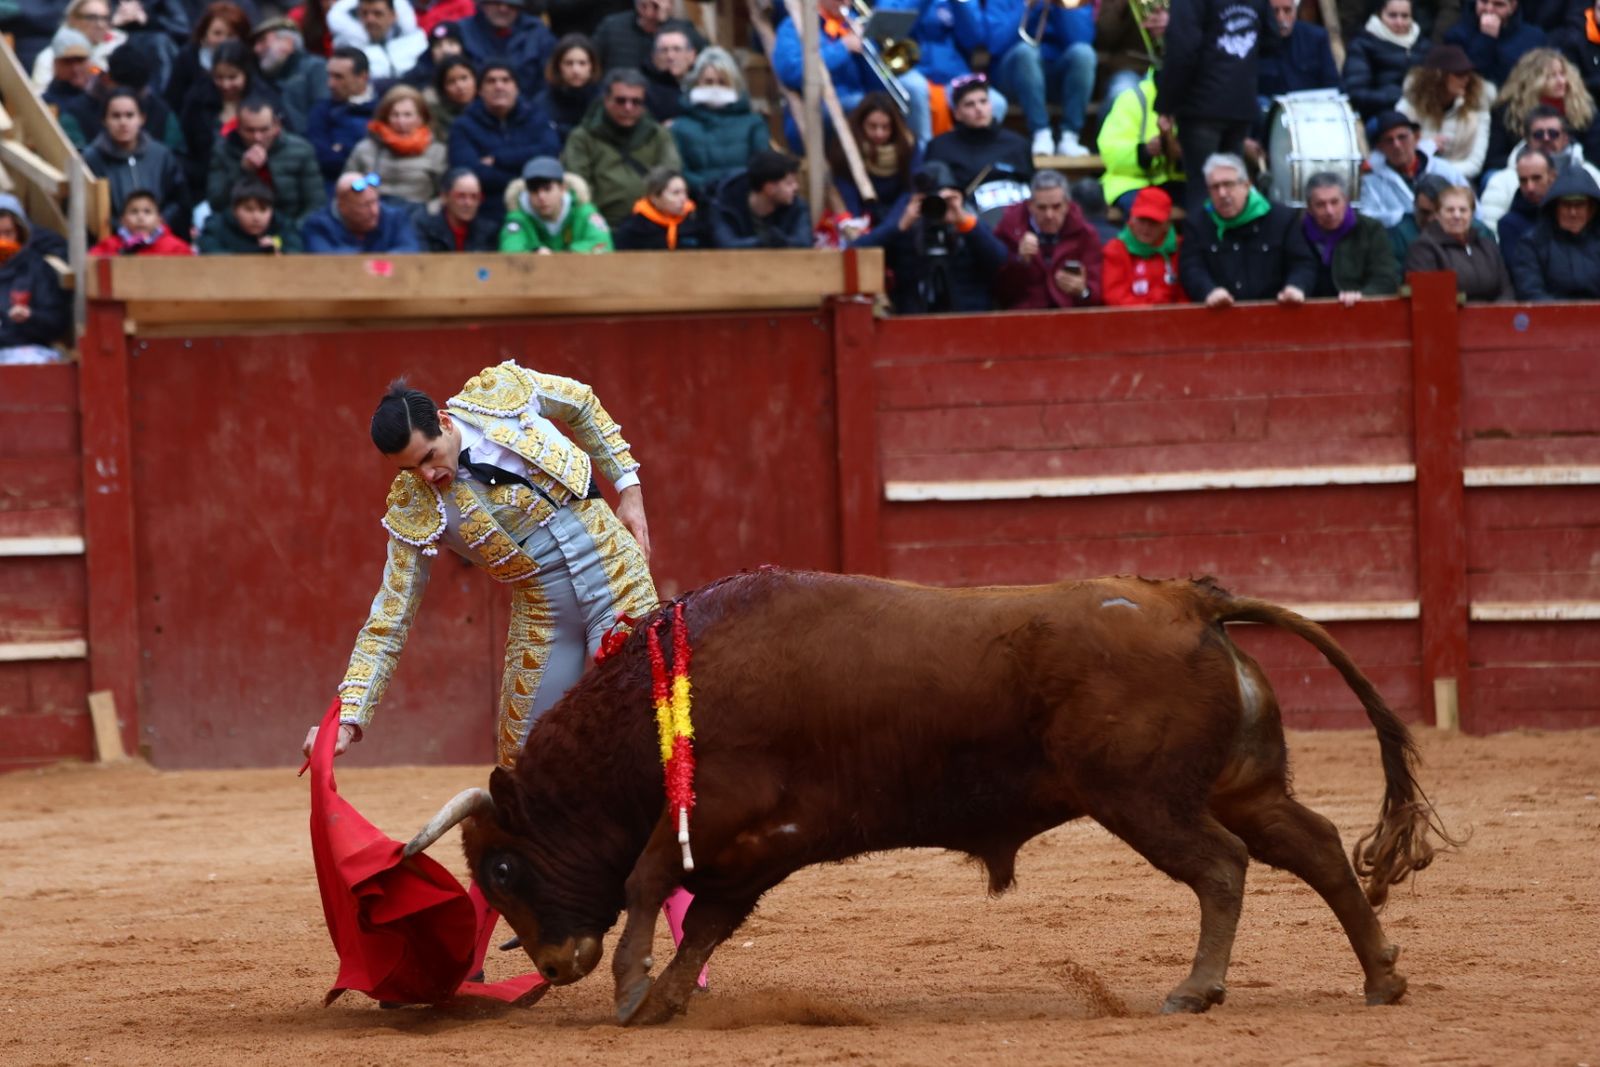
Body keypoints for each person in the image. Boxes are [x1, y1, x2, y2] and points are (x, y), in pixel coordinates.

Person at [301, 365, 661, 982]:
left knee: (653, 752)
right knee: (515, 787)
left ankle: (676, 942)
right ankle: (480, 945)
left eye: (430, 457)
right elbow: (390, 615)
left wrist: (628, 488)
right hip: (544, 614)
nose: (428, 475)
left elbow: (584, 404)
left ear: (443, 421)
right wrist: (350, 715)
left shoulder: (502, 392)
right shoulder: (416, 506)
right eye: (410, 469)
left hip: (618, 581)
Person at [1157, 0, 1277, 216]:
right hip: (1240, 103)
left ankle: (1201, 249)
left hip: (1201, 107)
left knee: (1202, 190)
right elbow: (1272, 38)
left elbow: (1182, 50)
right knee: (1233, 189)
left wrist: (1167, 104)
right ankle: (1233, 248)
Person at [853, 159, 1006, 313]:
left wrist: (964, 222)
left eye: (942, 201)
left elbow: (999, 260)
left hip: (968, 316)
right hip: (915, 318)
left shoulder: (967, 218)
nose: (936, 208)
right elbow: (855, 252)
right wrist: (899, 227)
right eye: (929, 201)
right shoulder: (906, 219)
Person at [772, 0, 933, 145]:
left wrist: (870, 40)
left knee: (914, 88)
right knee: (864, 105)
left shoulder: (852, 21)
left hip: (861, 94)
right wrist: (843, 47)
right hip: (820, 105)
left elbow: (876, 74)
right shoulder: (793, 26)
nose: (845, 2)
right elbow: (790, 72)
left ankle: (920, 149)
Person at [1180, 152, 1316, 306]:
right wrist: (1208, 291)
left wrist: (1296, 286)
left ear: (1246, 185)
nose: (1222, 193)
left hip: (1275, 313)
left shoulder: (1281, 218)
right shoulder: (1197, 223)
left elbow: (1303, 263)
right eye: (1215, 187)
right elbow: (1191, 268)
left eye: (1228, 184)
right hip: (1220, 315)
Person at [562, 69, 682, 226]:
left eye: (636, 102)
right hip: (602, 225)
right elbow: (578, 186)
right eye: (621, 100)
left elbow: (670, 177)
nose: (628, 107)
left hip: (653, 223)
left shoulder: (658, 135)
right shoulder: (583, 137)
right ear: (606, 100)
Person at [449, 62, 563, 221]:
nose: (499, 86)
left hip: (536, 204)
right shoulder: (463, 126)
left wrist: (498, 159)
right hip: (486, 210)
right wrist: (525, 177)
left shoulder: (536, 117)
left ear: (516, 88)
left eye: (506, 80)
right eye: (491, 81)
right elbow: (469, 171)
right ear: (480, 90)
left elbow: (549, 153)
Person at [82, 88, 190, 233]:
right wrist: (120, 227)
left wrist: (158, 222)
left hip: (160, 239)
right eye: (116, 116)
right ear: (104, 120)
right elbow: (86, 207)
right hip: (111, 241)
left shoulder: (161, 155)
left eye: (129, 115)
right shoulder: (91, 159)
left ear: (142, 118)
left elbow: (178, 200)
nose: (123, 122)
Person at [670, 47, 769, 203]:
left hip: (742, 202)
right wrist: (706, 187)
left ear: (734, 85)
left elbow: (761, 165)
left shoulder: (753, 123)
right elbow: (679, 170)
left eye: (722, 82)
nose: (715, 88)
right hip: (699, 203)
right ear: (697, 83)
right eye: (708, 82)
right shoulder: (680, 127)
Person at [993, 169, 1104, 308]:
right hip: (1023, 318)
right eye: (1042, 208)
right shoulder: (1009, 229)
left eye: (1056, 207)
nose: (1049, 215)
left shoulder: (1085, 234)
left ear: (1067, 205)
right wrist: (1020, 262)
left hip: (1070, 319)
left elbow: (1097, 293)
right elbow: (997, 290)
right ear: (1030, 205)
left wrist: (1083, 291)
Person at [206, 96, 327, 222]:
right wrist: (242, 171)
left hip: (289, 227)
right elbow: (216, 203)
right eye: (250, 130)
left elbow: (315, 204)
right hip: (238, 230)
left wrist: (290, 234)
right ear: (238, 128)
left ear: (276, 126)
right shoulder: (223, 151)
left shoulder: (301, 150)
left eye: (264, 129)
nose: (257, 137)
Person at [179, 40, 271, 198]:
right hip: (206, 185)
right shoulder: (197, 100)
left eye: (233, 77)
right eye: (219, 77)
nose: (226, 84)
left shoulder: (265, 101)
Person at [1478, 104, 1600, 223]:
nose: (1546, 138)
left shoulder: (1590, 175)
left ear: (1565, 138)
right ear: (1526, 138)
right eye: (1538, 134)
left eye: (1553, 133)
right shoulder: (1502, 181)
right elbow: (1490, 229)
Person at [1484, 48, 1598, 174]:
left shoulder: (1583, 109)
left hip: (1573, 172)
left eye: (1562, 74)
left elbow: (1594, 155)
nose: (1561, 81)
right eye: (1551, 76)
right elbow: (1494, 159)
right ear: (1532, 80)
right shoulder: (1508, 112)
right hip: (1521, 173)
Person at [1300, 171, 1401, 305]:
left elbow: (1386, 277)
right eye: (1320, 205)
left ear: (1346, 201)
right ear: (1309, 208)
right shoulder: (1297, 232)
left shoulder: (1370, 230)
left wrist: (1362, 295)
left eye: (1335, 202)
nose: (1329, 211)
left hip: (1357, 309)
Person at [923, 75, 1033, 194]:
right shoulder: (939, 147)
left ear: (991, 106)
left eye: (983, 101)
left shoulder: (1018, 144)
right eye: (970, 104)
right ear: (957, 113)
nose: (979, 109)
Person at [1398, 44, 1494, 180]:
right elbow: (1397, 152)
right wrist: (1424, 147)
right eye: (1459, 74)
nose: (1466, 79)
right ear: (1438, 77)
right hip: (1413, 179)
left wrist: (1437, 171)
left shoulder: (1478, 107)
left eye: (1468, 73)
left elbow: (1475, 163)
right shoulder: (1410, 105)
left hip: (1458, 182)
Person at [1358, 109, 1468, 227]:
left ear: (1416, 137)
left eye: (1402, 137)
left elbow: (1471, 207)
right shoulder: (1372, 181)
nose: (1397, 145)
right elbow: (1366, 217)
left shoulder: (1444, 169)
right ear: (1380, 147)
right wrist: (1405, 217)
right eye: (1389, 140)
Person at [1098, 68, 1184, 215]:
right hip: (1132, 182)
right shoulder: (1132, 98)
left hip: (1178, 181)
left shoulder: (1197, 97)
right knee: (1147, 212)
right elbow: (1110, 151)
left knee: (1208, 204)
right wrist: (1144, 151)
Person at [1405, 183, 1514, 299]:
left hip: (1493, 315)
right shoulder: (1424, 248)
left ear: (1472, 214)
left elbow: (1506, 288)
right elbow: (1428, 296)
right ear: (1437, 214)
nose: (1457, 215)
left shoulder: (1487, 246)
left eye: (1463, 210)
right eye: (1450, 210)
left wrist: (1495, 314)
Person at [344, 84, 448, 204]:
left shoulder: (437, 152)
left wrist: (428, 213)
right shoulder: (365, 149)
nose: (401, 121)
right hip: (373, 215)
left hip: (418, 216)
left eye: (407, 115)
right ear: (385, 117)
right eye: (395, 115)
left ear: (421, 118)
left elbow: (444, 196)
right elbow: (347, 188)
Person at [827, 92, 918, 227]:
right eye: (872, 126)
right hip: (863, 220)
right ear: (861, 125)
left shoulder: (908, 146)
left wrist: (891, 225)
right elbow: (847, 193)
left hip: (898, 219)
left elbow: (910, 190)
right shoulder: (844, 149)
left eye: (885, 127)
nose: (879, 133)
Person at [1510, 164, 1600, 296]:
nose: (1573, 212)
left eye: (1579, 205)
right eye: (1566, 205)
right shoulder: (1532, 244)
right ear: (1554, 208)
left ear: (1592, 209)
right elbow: (1531, 292)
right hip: (1548, 315)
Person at [0, 198, 70, 366]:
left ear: (20, 233)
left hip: (27, 353)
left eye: (8, 233)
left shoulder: (36, 268)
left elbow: (57, 322)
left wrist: (30, 317)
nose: (2, 241)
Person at [499, 156, 614, 253]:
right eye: (534, 191)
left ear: (562, 188)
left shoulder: (583, 212)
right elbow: (510, 252)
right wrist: (535, 252)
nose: (541, 197)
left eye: (547, 189)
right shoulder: (518, 219)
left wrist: (561, 258)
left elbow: (603, 244)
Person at [1343, 0, 1431, 120]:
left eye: (1405, 16)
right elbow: (1356, 92)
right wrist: (1399, 99)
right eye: (1392, 15)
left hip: (1424, 112)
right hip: (1382, 116)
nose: (1399, 22)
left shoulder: (1424, 45)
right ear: (1379, 15)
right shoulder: (1362, 45)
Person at [708, 149, 813, 249]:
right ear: (769, 188)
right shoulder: (725, 205)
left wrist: (783, 242)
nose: (796, 187)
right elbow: (725, 245)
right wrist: (764, 242)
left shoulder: (797, 206)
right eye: (789, 183)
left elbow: (804, 242)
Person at [307, 46, 379, 187]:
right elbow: (322, 158)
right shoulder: (320, 111)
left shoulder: (383, 109)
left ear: (363, 77)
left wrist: (342, 149)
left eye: (339, 77)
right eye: (330, 75)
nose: (331, 84)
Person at [1102, 186, 1187, 305]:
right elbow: (1115, 296)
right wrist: (1152, 310)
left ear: (1166, 224)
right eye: (1142, 220)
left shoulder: (1180, 247)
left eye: (1153, 222)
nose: (1146, 228)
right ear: (1131, 218)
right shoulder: (1116, 249)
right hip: (1130, 320)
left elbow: (1186, 296)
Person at [164, 2, 253, 114]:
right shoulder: (187, 57)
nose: (223, 41)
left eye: (231, 35)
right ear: (204, 34)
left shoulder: (251, 60)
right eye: (217, 33)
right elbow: (173, 101)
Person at [303, 169, 423, 250]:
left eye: (375, 202)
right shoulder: (318, 225)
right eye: (364, 205)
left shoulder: (396, 218)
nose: (374, 211)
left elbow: (409, 250)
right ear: (342, 207)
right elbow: (325, 259)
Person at [455, 0, 557, 93]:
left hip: (529, 108)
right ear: (483, 4)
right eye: (496, 3)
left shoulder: (538, 33)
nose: (503, 9)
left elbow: (549, 82)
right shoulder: (462, 32)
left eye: (511, 5)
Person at [254, 17, 330, 133]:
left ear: (288, 42)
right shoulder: (263, 77)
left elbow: (323, 114)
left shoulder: (315, 68)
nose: (256, 49)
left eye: (263, 41)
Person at [31, 0, 128, 90]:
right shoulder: (49, 58)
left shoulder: (119, 48)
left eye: (104, 18)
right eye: (92, 18)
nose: (100, 24)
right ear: (73, 19)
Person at [1444, 0, 1545, 85]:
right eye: (1484, 2)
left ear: (1513, 6)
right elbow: (1469, 77)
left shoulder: (1534, 37)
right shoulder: (1456, 36)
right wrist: (1486, 38)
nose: (1489, 9)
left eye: (1498, 4)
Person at [1257, 0, 1342, 99]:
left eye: (1287, 10)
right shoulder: (1252, 41)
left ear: (1295, 11)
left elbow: (1332, 86)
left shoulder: (1315, 38)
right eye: (1274, 11)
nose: (1281, 18)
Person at [592, 0, 703, 74]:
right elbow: (590, 60)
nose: (650, 11)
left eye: (655, 5)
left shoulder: (683, 30)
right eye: (644, 4)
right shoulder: (612, 27)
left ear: (670, 4)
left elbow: (709, 59)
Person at [198, 176, 306, 251]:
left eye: (263, 210)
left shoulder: (284, 225)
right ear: (234, 210)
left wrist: (279, 253)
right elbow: (211, 254)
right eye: (249, 209)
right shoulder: (216, 226)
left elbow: (296, 251)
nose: (256, 217)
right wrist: (258, 252)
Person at [1095, 0, 1169, 105]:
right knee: (1120, 96)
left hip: (1176, 69)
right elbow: (1103, 40)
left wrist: (1175, 23)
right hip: (1131, 68)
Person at [613, 166, 704, 249]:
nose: (684, 199)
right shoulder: (634, 229)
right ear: (654, 197)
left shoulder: (695, 220)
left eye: (685, 192)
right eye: (676, 193)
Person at [536, 34, 602, 142]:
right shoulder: (542, 102)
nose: (576, 70)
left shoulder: (603, 101)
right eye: (569, 63)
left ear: (592, 66)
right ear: (558, 67)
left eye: (582, 63)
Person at [1495, 144, 1558, 257]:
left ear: (1552, 176)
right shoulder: (1509, 225)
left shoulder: (1569, 214)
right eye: (1523, 180)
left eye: (1536, 178)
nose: (1530, 187)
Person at [415, 168, 501, 250]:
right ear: (444, 197)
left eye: (474, 197)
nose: (468, 203)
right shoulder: (425, 227)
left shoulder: (489, 232)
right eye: (461, 196)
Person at [89, 188, 194, 254]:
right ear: (123, 220)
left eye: (147, 212)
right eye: (134, 212)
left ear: (159, 220)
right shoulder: (110, 246)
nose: (140, 217)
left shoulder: (176, 248)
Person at [346, 0, 426, 79]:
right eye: (364, 14)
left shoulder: (417, 42)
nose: (370, 20)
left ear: (393, 16)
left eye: (378, 14)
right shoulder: (349, 48)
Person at [642, 27, 694, 123]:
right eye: (664, 50)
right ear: (654, 57)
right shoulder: (644, 92)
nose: (670, 56)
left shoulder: (703, 86)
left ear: (691, 55)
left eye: (677, 49)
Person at [41, 29, 98, 113]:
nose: (75, 68)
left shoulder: (101, 93)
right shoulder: (46, 102)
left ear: (90, 62)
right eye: (67, 62)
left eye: (80, 60)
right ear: (55, 64)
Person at [426, 56, 478, 143]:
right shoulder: (435, 116)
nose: (460, 86)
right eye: (451, 82)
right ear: (442, 88)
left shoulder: (492, 107)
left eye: (464, 78)